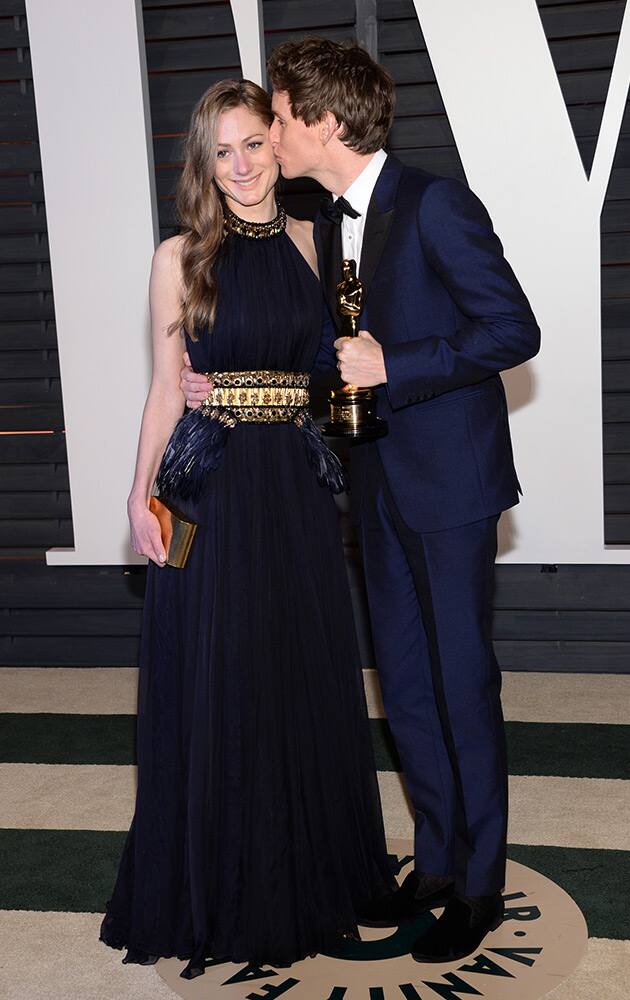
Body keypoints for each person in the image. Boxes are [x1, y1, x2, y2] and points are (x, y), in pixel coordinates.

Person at [181, 39, 541, 964]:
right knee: (408, 687)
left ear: (324, 124)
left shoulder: (433, 203)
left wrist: (399, 366)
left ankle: (482, 884)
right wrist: (218, 389)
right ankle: (435, 861)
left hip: (451, 487)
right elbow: (323, 356)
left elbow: (511, 327)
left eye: (284, 118)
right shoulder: (335, 221)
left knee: (462, 683)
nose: (271, 136)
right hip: (374, 482)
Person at [99, 78, 395, 979]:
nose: (240, 166)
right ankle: (219, 889)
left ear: (279, 142)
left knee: (298, 673)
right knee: (218, 675)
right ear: (204, 160)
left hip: (296, 493)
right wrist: (138, 492)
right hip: (210, 488)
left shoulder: (317, 245)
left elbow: (336, 367)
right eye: (221, 151)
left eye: (254, 145)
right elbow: (164, 385)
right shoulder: (179, 257)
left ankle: (311, 877)